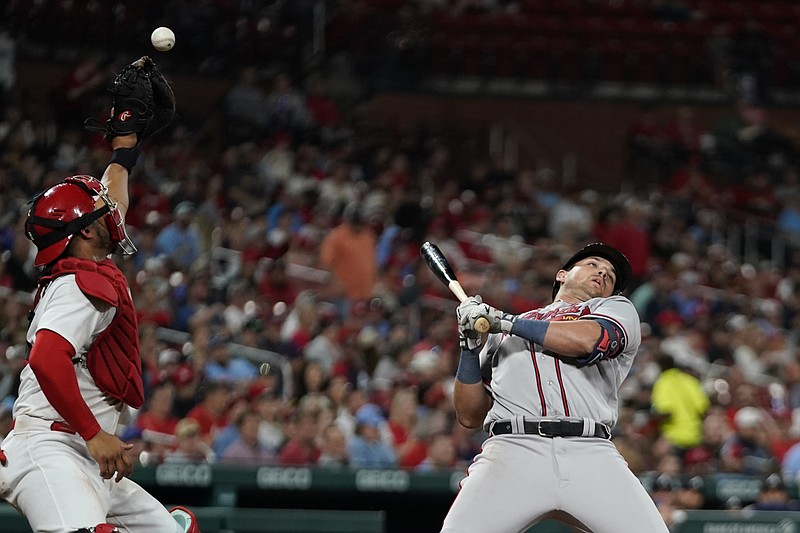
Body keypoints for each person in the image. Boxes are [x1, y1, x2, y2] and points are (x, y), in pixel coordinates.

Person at [0, 56, 200, 532]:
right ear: (83, 232)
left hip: (83, 450)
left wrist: (125, 142)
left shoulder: (88, 262)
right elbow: (47, 359)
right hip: (50, 449)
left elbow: (114, 189)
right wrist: (93, 434)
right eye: (96, 208)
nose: (108, 207)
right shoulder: (77, 284)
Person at [442, 242, 669, 532]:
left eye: (610, 276)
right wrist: (470, 346)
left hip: (589, 452)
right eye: (593, 264)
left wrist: (503, 322)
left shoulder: (614, 308)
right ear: (562, 275)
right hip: (513, 450)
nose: (602, 272)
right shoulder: (502, 331)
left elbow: (586, 341)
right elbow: (469, 415)